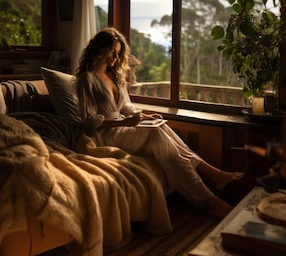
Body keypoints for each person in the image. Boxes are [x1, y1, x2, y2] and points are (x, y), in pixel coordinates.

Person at [75, 27, 244, 218]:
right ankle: (212, 191)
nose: (116, 57)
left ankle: (212, 186)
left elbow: (126, 108)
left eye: (118, 53)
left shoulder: (114, 76)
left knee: (161, 127)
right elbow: (88, 121)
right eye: (112, 52)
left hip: (124, 126)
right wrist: (123, 123)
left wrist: (145, 117)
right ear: (100, 50)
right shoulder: (87, 79)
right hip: (107, 134)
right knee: (157, 135)